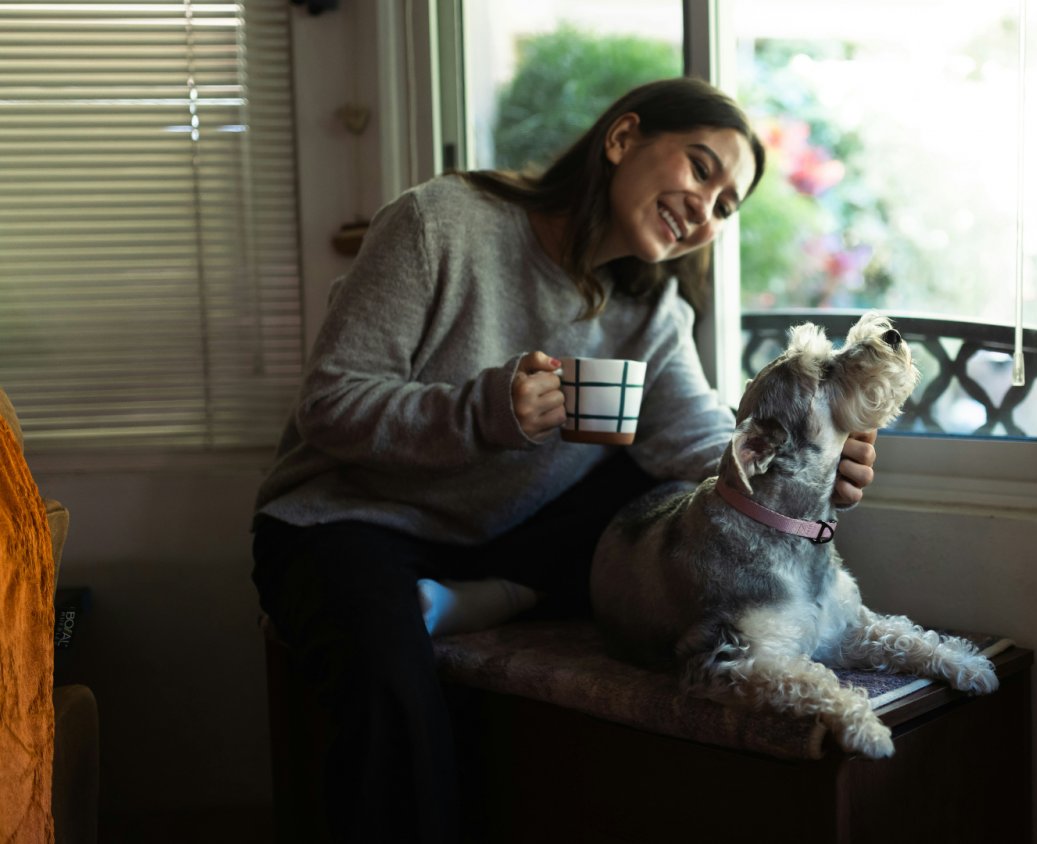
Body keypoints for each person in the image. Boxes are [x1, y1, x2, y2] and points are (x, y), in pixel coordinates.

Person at [250, 77, 881, 842]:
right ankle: (494, 596)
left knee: (658, 485)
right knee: (393, 693)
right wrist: (485, 413)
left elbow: (700, 453)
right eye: (700, 168)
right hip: (349, 519)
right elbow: (329, 404)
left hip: (505, 526)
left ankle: (499, 590)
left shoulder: (652, 311)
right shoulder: (440, 223)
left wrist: (809, 470)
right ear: (621, 140)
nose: (706, 208)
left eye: (725, 207)